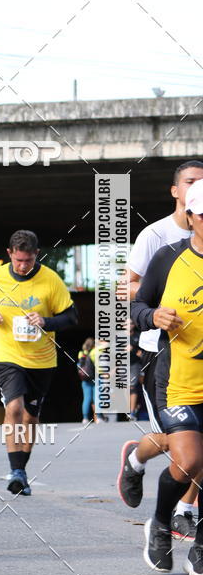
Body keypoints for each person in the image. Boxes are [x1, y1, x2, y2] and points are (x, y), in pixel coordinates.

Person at [118, 160, 203, 540]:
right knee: (179, 442)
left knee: (194, 445)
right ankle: (137, 458)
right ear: (176, 191)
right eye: (190, 181)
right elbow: (128, 289)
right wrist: (157, 312)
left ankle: (185, 510)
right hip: (161, 354)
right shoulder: (157, 237)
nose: (196, 186)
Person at [0, 230, 77, 495]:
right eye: (18, 260)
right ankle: (15, 470)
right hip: (5, 353)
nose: (23, 266)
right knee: (14, 407)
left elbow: (71, 317)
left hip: (41, 359)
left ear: (36, 255)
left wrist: (46, 321)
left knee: (31, 416)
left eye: (29, 261)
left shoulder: (51, 280)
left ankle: (21, 471)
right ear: (9, 254)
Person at [77, 337, 96, 424]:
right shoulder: (94, 352)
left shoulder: (81, 353)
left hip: (84, 379)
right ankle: (98, 417)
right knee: (96, 398)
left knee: (86, 398)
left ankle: (85, 418)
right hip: (94, 377)